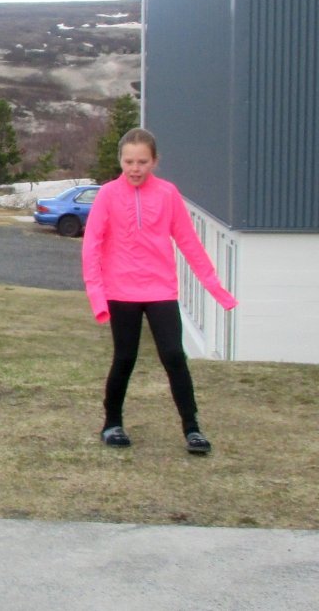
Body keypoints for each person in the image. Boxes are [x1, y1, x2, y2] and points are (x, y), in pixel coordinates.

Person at [82, 128, 237, 455]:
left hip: (160, 289)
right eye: (129, 161)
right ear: (120, 161)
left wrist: (217, 290)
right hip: (120, 290)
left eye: (142, 161)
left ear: (154, 161)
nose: (135, 168)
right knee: (125, 357)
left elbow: (190, 244)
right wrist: (98, 297)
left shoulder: (168, 194)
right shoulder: (108, 195)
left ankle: (192, 429)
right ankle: (112, 423)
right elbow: (91, 247)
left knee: (174, 356)